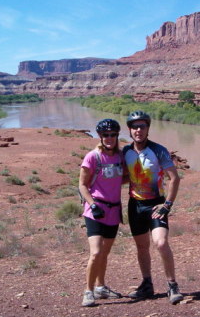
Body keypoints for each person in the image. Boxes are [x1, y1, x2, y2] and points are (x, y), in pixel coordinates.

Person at [122, 110, 184, 305]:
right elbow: (124, 176)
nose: (138, 130)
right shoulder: (125, 152)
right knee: (142, 247)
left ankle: (172, 285)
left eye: (142, 126)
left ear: (148, 128)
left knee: (161, 243)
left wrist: (167, 205)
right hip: (135, 205)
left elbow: (174, 178)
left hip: (156, 204)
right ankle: (147, 285)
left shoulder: (158, 150)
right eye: (134, 127)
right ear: (130, 130)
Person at [79, 118, 124, 307]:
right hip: (95, 210)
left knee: (105, 253)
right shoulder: (92, 157)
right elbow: (82, 184)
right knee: (96, 252)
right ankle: (88, 292)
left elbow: (123, 178)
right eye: (106, 135)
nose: (109, 138)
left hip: (113, 210)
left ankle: (101, 287)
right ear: (100, 136)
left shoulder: (121, 157)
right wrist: (92, 203)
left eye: (113, 135)